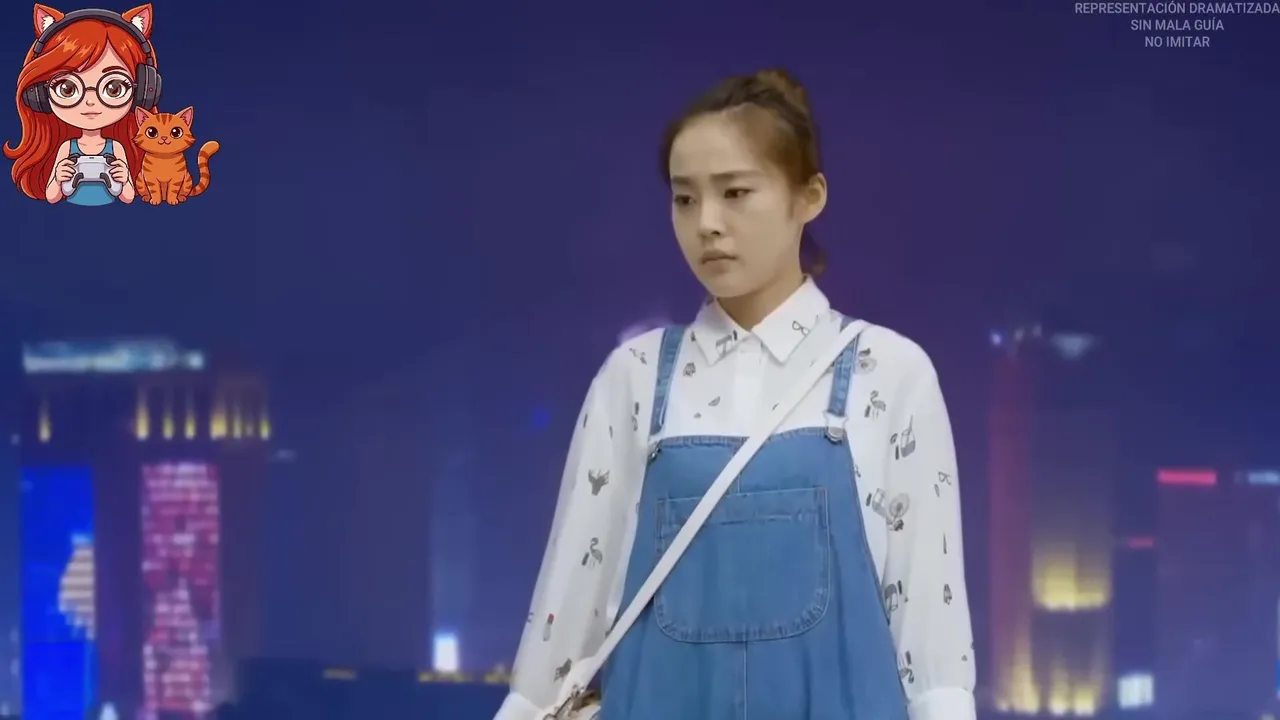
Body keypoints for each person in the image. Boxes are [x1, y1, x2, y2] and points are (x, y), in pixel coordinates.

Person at [496, 69, 975, 719]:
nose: (707, 223)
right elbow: (566, 613)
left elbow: (931, 635)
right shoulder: (633, 377)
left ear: (809, 197)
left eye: (735, 192)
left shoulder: (889, 373)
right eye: (684, 198)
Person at [4, 4, 159, 205]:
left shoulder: (116, 148)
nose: (90, 101)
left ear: (143, 92)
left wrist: (124, 177)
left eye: (114, 88)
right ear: (39, 94)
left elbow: (128, 197)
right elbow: (52, 197)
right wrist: (58, 177)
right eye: (67, 89)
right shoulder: (67, 148)